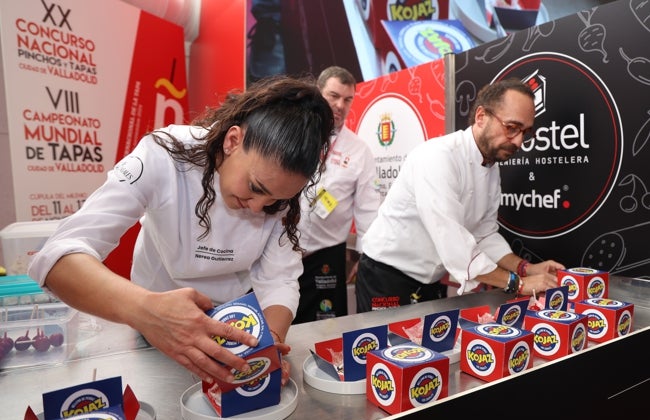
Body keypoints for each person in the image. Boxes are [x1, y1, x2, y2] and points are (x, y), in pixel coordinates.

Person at [28, 75, 334, 386]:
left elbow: (279, 278)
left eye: (274, 202)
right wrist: (146, 311)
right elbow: (58, 256)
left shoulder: (285, 196)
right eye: (255, 188)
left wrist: (270, 340)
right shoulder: (165, 156)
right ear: (232, 141)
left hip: (234, 324)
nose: (258, 208)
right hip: (155, 322)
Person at [355, 78, 565, 313]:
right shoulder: (438, 157)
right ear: (481, 116)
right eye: (511, 128)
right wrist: (520, 283)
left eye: (525, 132)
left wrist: (525, 268)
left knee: (429, 348)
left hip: (429, 281)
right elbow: (453, 243)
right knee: (386, 348)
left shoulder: (491, 168)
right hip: (386, 277)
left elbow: (484, 234)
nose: (518, 141)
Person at [292, 66, 380, 324]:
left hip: (325, 256)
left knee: (325, 329)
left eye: (347, 99)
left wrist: (365, 257)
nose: (340, 105)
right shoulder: (293, 135)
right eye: (333, 96)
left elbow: (368, 210)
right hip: (279, 248)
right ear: (318, 92)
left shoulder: (359, 150)